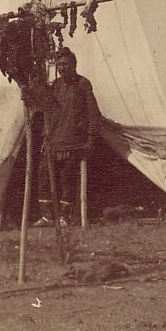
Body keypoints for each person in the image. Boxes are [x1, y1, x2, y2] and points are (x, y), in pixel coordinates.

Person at [33, 47, 103, 227]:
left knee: (67, 178)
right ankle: (47, 216)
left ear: (74, 65)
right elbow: (47, 113)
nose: (62, 68)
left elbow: (93, 114)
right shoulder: (55, 85)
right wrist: (45, 138)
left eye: (66, 64)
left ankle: (65, 217)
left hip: (73, 141)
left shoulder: (82, 84)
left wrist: (90, 140)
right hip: (53, 141)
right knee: (44, 177)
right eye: (59, 65)